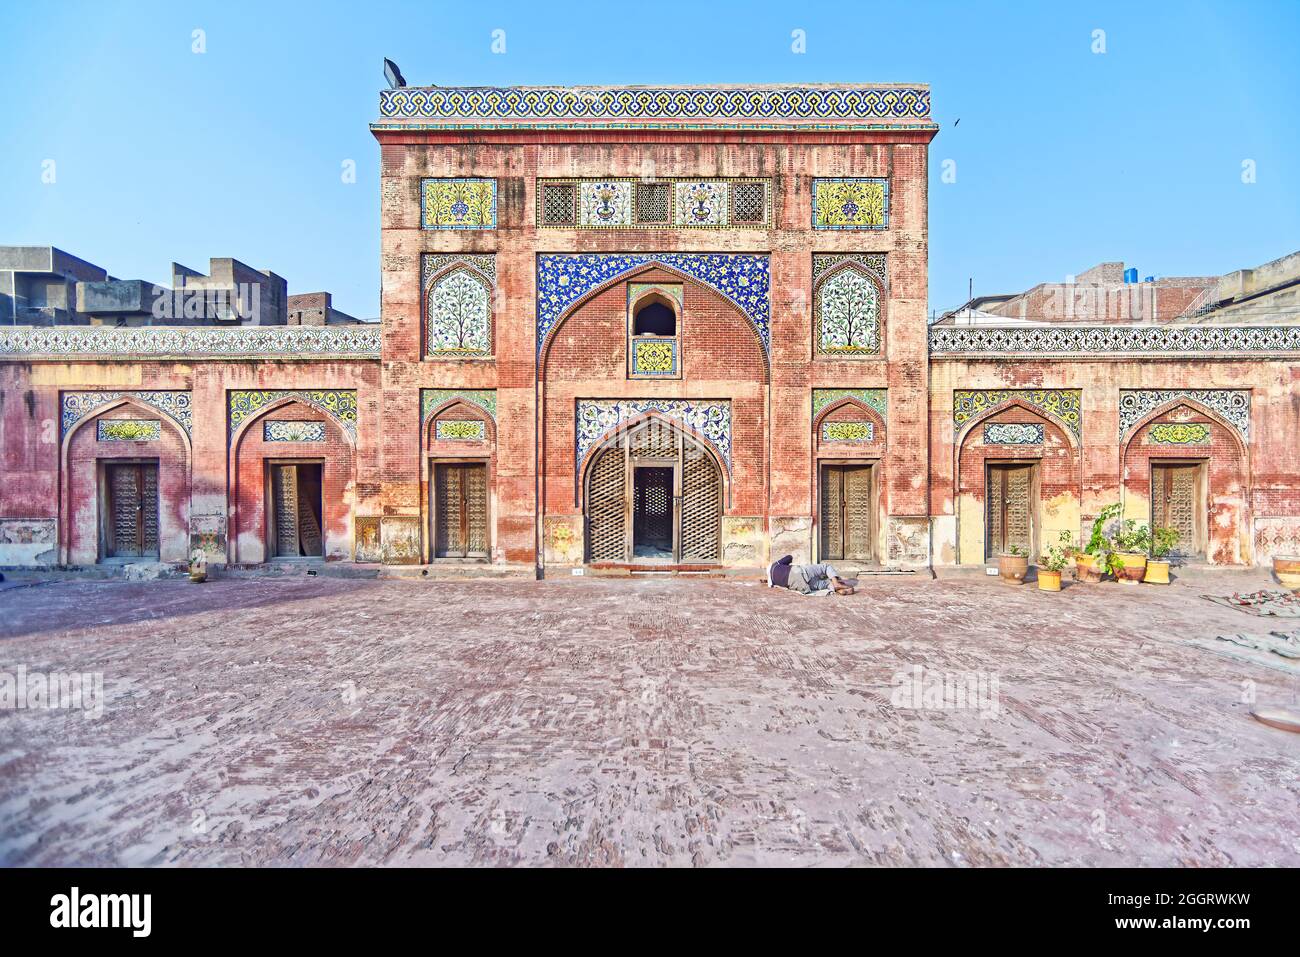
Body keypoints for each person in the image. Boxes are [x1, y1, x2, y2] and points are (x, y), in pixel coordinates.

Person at [766, 554, 855, 595]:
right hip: (801, 572)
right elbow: (789, 557)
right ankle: (836, 583)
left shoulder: (772, 581)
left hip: (801, 586)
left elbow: (775, 579)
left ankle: (838, 590)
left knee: (826, 584)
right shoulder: (775, 565)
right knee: (826, 567)